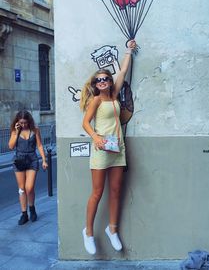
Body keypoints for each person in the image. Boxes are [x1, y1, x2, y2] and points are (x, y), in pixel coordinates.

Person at [80, 39, 136, 255]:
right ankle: (88, 232)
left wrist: (128, 50)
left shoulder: (114, 95)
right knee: (97, 192)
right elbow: (85, 122)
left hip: (117, 149)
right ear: (95, 85)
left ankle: (112, 229)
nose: (102, 81)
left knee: (115, 191)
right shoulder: (95, 100)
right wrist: (95, 137)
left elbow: (122, 70)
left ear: (110, 82)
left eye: (105, 78)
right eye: (98, 80)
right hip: (102, 150)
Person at [8, 110, 48, 225]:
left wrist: (44, 160)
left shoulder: (35, 130)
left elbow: (39, 145)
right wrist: (16, 132)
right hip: (19, 160)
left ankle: (32, 209)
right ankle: (24, 214)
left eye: (25, 122)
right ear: (17, 122)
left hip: (32, 160)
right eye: (21, 123)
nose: (23, 125)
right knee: (22, 189)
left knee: (29, 188)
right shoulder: (15, 131)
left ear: (29, 121)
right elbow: (10, 146)